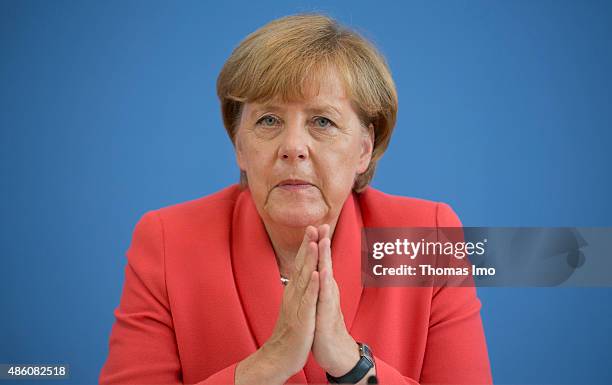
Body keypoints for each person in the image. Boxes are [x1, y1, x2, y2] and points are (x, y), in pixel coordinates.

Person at [99, 13, 493, 385]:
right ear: (239, 144)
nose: (293, 147)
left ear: (364, 148)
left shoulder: (428, 237)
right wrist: (268, 364)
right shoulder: (168, 241)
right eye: (268, 120)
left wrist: (349, 362)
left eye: (322, 121)